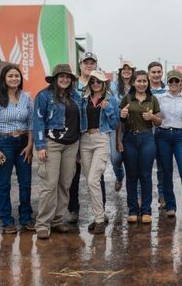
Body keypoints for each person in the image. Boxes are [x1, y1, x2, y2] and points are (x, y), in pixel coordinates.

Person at [32, 64, 82, 239]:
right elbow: (38, 120)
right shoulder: (44, 96)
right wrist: (40, 145)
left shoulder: (76, 96)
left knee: (65, 184)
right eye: (61, 76)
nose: (65, 79)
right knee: (49, 184)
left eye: (68, 77)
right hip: (51, 143)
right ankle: (43, 223)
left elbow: (80, 121)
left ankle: (58, 220)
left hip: (72, 145)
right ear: (54, 78)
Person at [0, 65, 34, 234]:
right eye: (10, 76)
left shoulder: (27, 98)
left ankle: (26, 217)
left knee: (26, 183)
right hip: (3, 143)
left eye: (17, 76)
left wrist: (30, 145)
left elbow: (31, 123)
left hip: (23, 144)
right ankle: (7, 220)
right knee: (4, 184)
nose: (14, 78)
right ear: (4, 79)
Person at [117, 70, 162, 224]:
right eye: (139, 81)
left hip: (147, 138)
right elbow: (120, 123)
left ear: (148, 83)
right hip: (129, 139)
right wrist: (119, 139)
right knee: (131, 176)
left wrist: (152, 117)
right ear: (133, 83)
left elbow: (159, 122)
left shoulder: (152, 99)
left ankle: (146, 211)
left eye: (144, 81)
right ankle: (133, 210)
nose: (142, 84)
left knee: (145, 175)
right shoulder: (127, 98)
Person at [67, 51, 106, 224]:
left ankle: (101, 210)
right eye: (86, 63)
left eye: (92, 63)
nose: (89, 65)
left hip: (96, 135)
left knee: (97, 175)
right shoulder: (73, 84)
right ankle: (73, 209)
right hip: (76, 134)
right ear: (80, 64)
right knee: (74, 173)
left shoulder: (99, 84)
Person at [79, 70, 119, 234]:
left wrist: (108, 109)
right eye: (93, 81)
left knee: (93, 180)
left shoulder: (111, 100)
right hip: (85, 140)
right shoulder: (83, 100)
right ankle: (98, 216)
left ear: (104, 83)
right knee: (90, 181)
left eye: (99, 81)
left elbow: (115, 124)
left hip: (101, 138)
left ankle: (100, 220)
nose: (95, 83)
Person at [156, 70, 182, 219]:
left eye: (176, 81)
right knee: (167, 172)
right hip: (163, 135)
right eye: (171, 81)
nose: (174, 84)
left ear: (181, 82)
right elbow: (156, 115)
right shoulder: (160, 98)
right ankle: (170, 205)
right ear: (167, 83)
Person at [110, 60, 136, 192]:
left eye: (129, 69)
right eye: (123, 69)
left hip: (133, 126)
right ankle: (119, 176)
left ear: (133, 71)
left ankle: (136, 195)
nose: (126, 71)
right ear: (120, 72)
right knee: (115, 158)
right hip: (117, 125)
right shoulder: (113, 86)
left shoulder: (137, 85)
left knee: (133, 161)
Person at [148, 61, 168, 207]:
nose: (156, 74)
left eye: (158, 72)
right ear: (149, 73)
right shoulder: (142, 88)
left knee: (162, 167)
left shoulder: (167, 90)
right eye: (153, 72)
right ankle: (143, 197)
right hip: (146, 133)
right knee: (144, 167)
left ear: (162, 73)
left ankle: (162, 195)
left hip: (162, 132)